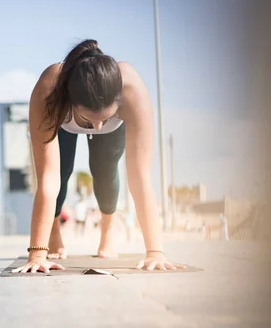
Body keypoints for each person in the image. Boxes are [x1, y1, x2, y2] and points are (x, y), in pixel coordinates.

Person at [12, 39, 185, 274]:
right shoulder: (49, 91)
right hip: (62, 122)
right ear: (71, 101)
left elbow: (140, 179)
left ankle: (107, 231)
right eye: (88, 119)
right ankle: (54, 232)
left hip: (115, 125)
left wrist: (155, 252)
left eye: (104, 118)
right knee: (61, 175)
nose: (96, 126)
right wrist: (37, 254)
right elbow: (47, 179)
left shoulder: (132, 89)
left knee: (105, 173)